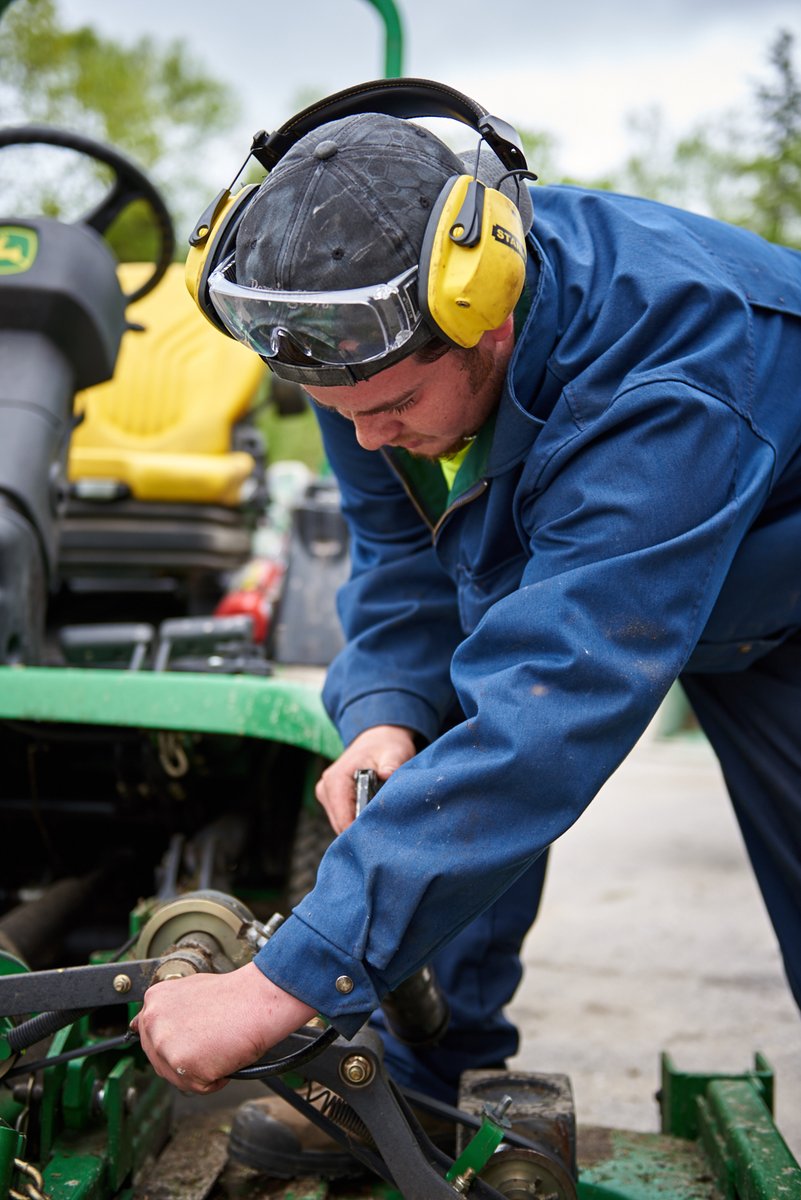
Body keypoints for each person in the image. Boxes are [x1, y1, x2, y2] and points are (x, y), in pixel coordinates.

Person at [134, 83, 801, 1135]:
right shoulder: (361, 348)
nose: (364, 440)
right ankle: (422, 1079)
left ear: (488, 317)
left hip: (784, 595)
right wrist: (388, 712)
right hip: (656, 578)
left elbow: (547, 716)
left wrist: (276, 987)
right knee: (433, 742)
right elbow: (402, 564)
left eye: (392, 408)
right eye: (338, 414)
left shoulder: (666, 368)